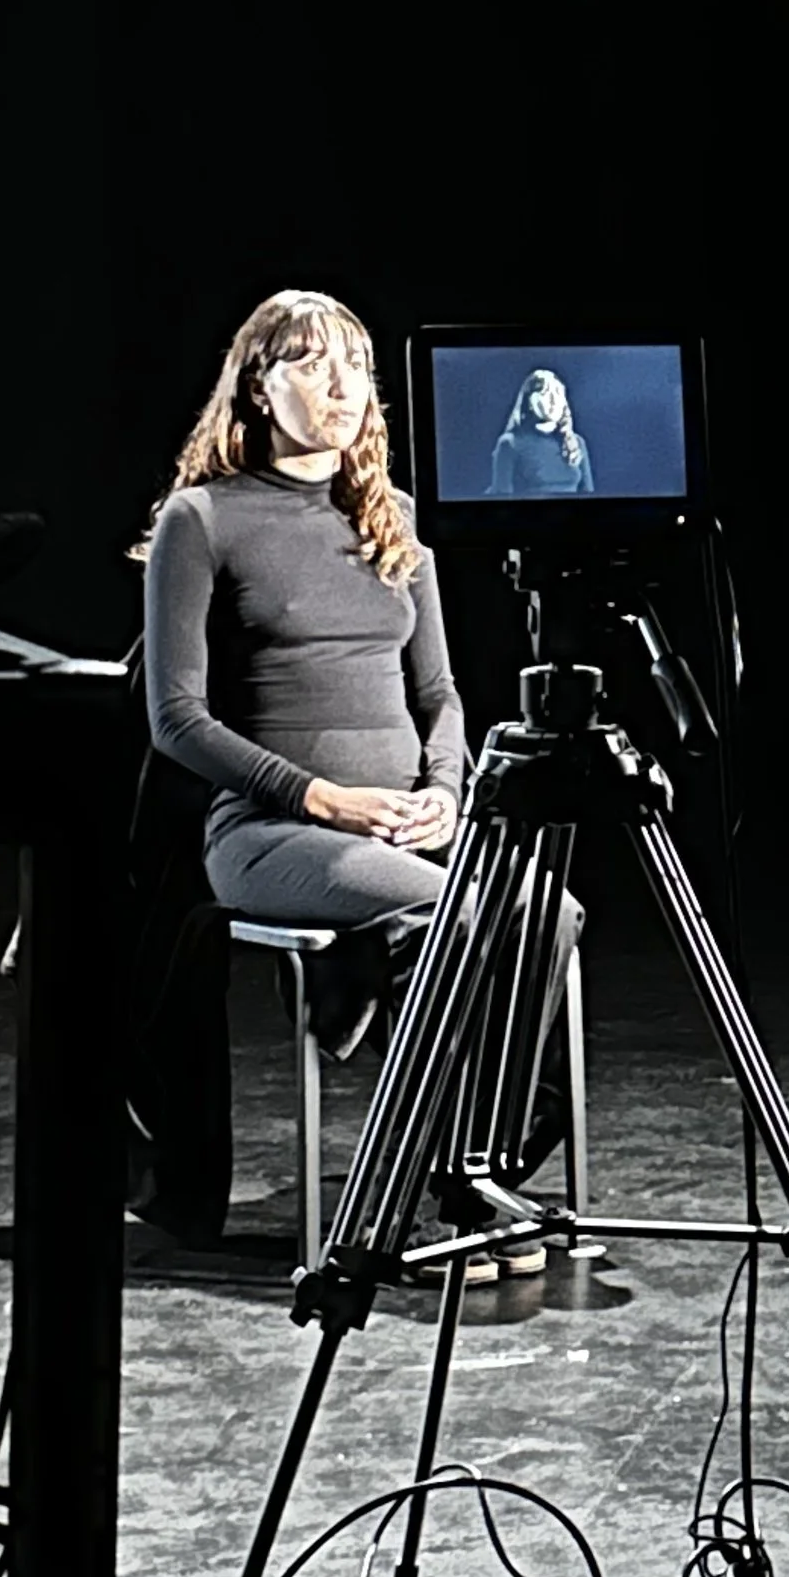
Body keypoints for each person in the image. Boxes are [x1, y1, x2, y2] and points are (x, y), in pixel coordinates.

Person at [139, 289, 568, 1268]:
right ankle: (421, 1190)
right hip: (269, 834)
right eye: (309, 362)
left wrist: (446, 793)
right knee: (456, 915)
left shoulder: (392, 518)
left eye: (354, 367)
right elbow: (176, 720)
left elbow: (442, 694)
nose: (339, 384)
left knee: (548, 913)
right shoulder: (200, 520)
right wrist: (323, 798)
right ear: (258, 386)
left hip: (405, 827)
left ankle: (473, 1165)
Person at [489, 367, 596, 499]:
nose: (554, 401)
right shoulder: (511, 443)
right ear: (530, 401)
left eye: (558, 393)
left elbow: (588, 493)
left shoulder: (577, 442)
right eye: (546, 393)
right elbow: (502, 496)